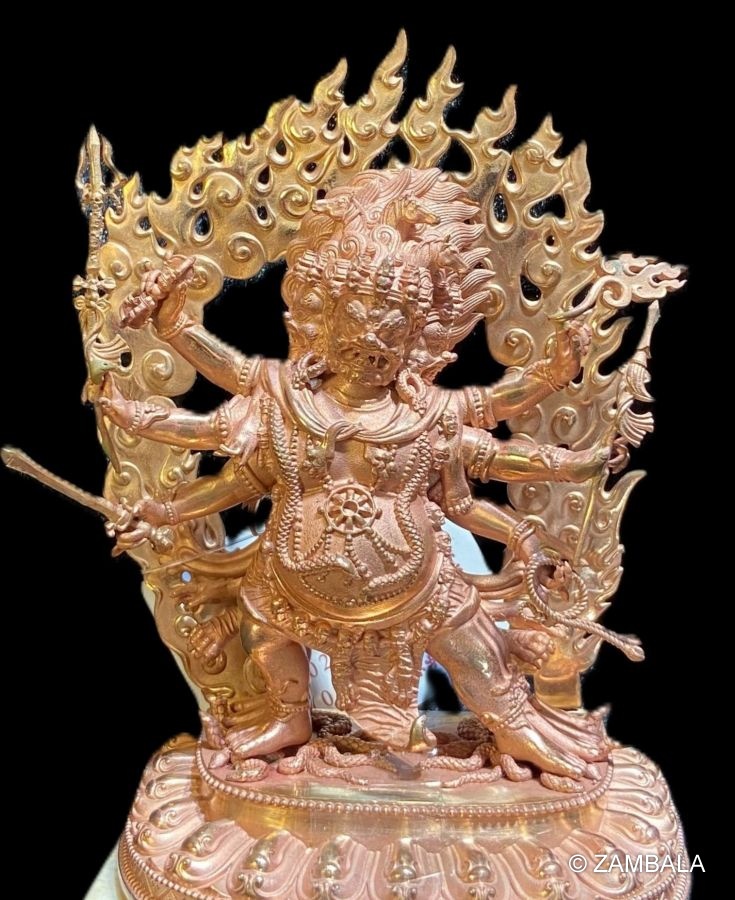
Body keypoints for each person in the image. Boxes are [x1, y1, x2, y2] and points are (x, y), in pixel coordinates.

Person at [102, 167, 610, 782]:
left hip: (413, 582)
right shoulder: (287, 400)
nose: (371, 337)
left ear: (416, 336)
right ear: (325, 318)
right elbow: (231, 447)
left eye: (391, 325)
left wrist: (555, 388)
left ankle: (514, 721)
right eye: (357, 316)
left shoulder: (429, 416)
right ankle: (290, 714)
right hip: (292, 578)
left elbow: (489, 439)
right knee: (264, 628)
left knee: (471, 647)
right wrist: (172, 335)